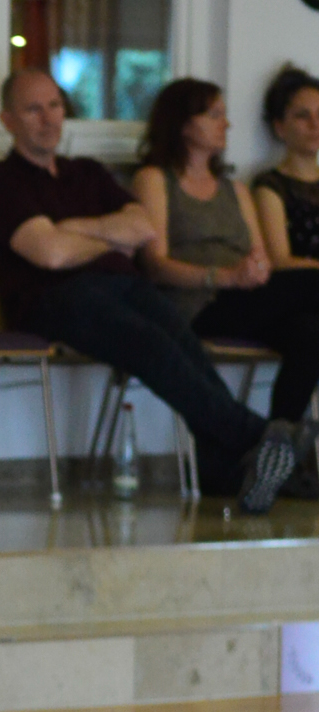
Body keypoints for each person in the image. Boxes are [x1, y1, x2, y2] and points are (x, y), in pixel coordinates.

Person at [0, 69, 305, 512]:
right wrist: (109, 235)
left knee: (183, 343)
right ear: (7, 120)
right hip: (54, 299)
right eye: (33, 109)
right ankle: (259, 437)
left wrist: (75, 229)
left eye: (54, 105)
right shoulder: (4, 183)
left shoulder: (88, 173)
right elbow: (50, 255)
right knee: (150, 345)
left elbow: (142, 228)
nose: (48, 118)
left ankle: (226, 471)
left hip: (124, 285)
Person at [131, 79, 319, 491]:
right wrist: (224, 276)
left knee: (310, 332)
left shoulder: (235, 188)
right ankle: (274, 456)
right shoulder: (155, 179)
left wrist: (253, 269)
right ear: (184, 124)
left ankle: (274, 459)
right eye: (214, 115)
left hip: (244, 298)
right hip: (194, 305)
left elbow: (260, 255)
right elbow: (155, 265)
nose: (227, 124)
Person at [253, 65, 319, 272]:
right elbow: (280, 261)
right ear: (280, 127)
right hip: (302, 287)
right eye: (302, 115)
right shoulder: (270, 186)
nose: (315, 124)